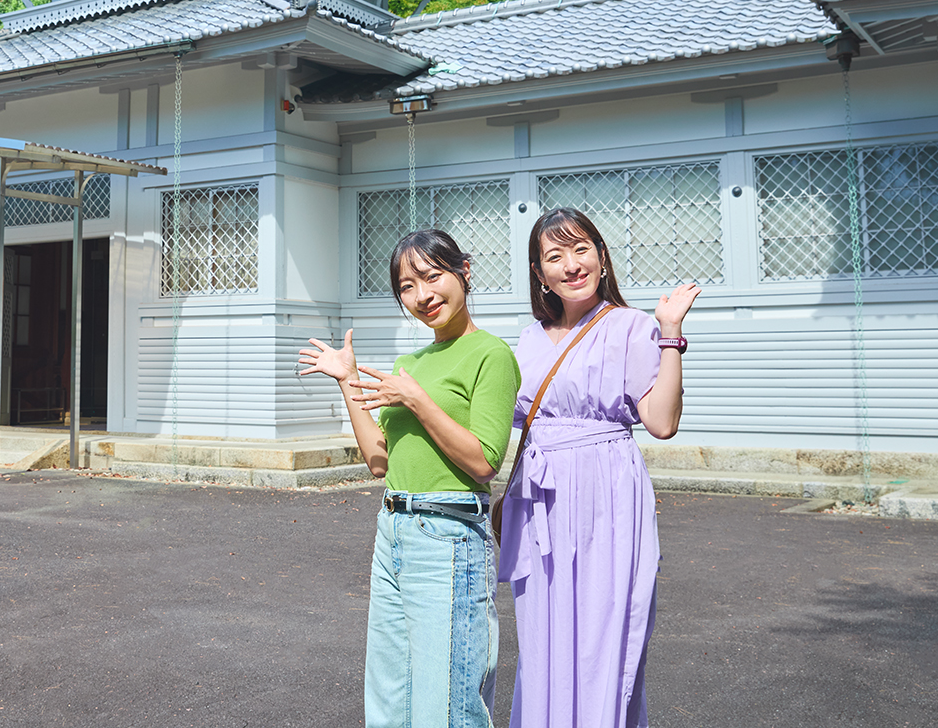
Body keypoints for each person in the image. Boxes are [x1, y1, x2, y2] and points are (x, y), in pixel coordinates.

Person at [299, 229, 519, 728]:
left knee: (447, 702)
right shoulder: (409, 364)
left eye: (433, 276)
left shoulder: (490, 354)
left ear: (464, 271)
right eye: (406, 286)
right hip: (393, 529)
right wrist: (348, 380)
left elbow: (484, 462)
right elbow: (379, 461)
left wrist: (417, 399)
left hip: (448, 535)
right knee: (389, 698)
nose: (422, 295)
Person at [498, 208, 700, 728]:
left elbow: (661, 422)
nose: (571, 264)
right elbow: (508, 420)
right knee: (543, 636)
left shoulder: (632, 326)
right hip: (541, 503)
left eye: (581, 249)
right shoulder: (528, 338)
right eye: (555, 256)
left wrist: (670, 331)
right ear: (539, 273)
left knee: (602, 633)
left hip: (606, 495)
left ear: (602, 257)